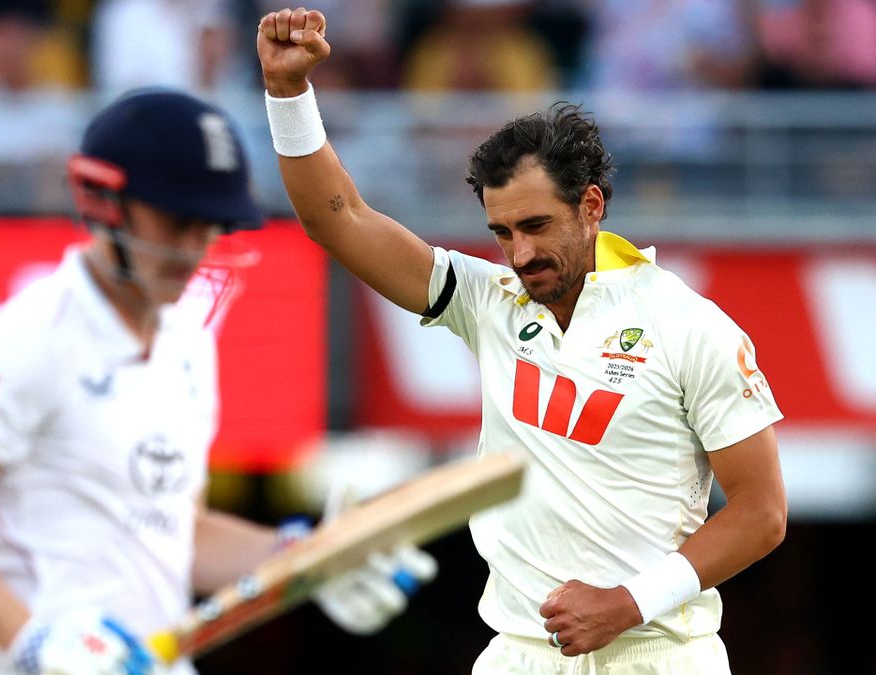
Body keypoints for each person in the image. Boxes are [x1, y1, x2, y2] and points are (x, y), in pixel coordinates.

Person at [256, 8, 787, 674]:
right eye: (503, 232)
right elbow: (338, 220)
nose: (520, 253)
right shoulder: (488, 302)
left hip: (656, 653)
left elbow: (762, 512)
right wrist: (288, 93)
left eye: (536, 224)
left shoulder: (689, 325)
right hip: (517, 655)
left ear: (592, 206)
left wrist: (628, 601)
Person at [0, 87, 435, 675]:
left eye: (209, 225)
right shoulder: (33, 338)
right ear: (103, 199)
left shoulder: (187, 342)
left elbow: (174, 534)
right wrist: (33, 640)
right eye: (177, 220)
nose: (193, 249)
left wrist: (306, 557)